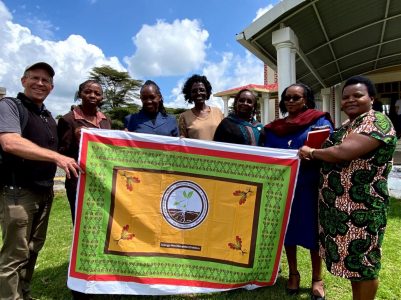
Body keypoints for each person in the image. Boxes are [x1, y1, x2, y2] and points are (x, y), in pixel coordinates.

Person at [299, 76, 397, 300]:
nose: (350, 100)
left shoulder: (377, 122)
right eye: (345, 97)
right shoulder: (350, 124)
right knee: (355, 267)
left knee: (363, 266)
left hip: (362, 211)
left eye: (357, 95)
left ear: (371, 98)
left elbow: (343, 152)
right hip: (341, 210)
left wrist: (312, 152)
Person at [0, 62, 81, 300]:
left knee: (33, 250)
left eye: (46, 81)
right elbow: (10, 142)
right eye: (35, 78)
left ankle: (24, 294)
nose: (40, 83)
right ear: (23, 81)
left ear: (52, 87)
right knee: (14, 255)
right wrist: (57, 157)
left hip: (43, 193)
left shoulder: (46, 115)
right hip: (18, 193)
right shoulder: (10, 106)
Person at [263, 83, 333, 299]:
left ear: (306, 100)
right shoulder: (273, 128)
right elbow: (263, 154)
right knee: (288, 232)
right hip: (284, 187)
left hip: (311, 186)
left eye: (296, 97)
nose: (291, 101)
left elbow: (331, 148)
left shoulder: (319, 121)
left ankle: (317, 278)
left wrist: (314, 152)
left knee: (314, 232)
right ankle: (293, 274)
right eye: (287, 98)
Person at [58, 80, 112, 223]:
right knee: (81, 222)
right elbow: (61, 152)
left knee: (102, 221)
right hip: (78, 181)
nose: (92, 95)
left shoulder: (106, 120)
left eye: (97, 93)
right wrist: (77, 139)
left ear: (102, 97)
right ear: (80, 94)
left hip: (102, 179)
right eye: (87, 92)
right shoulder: (68, 120)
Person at [179, 74, 223, 140]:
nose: (198, 93)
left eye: (202, 90)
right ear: (189, 94)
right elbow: (183, 141)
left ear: (207, 92)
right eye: (194, 91)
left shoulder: (218, 112)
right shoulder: (184, 117)